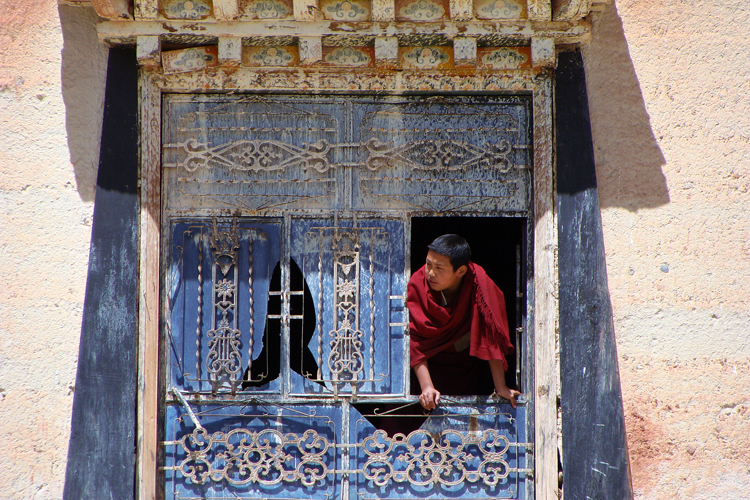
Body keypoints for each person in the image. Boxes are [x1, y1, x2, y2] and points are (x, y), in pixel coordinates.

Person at [408, 234, 522, 410]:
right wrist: (427, 387)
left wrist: (501, 387)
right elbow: (414, 339)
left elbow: (490, 333)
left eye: (439, 268)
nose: (430, 273)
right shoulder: (417, 283)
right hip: (428, 370)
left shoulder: (478, 283)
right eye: (428, 264)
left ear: (460, 271)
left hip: (466, 370)